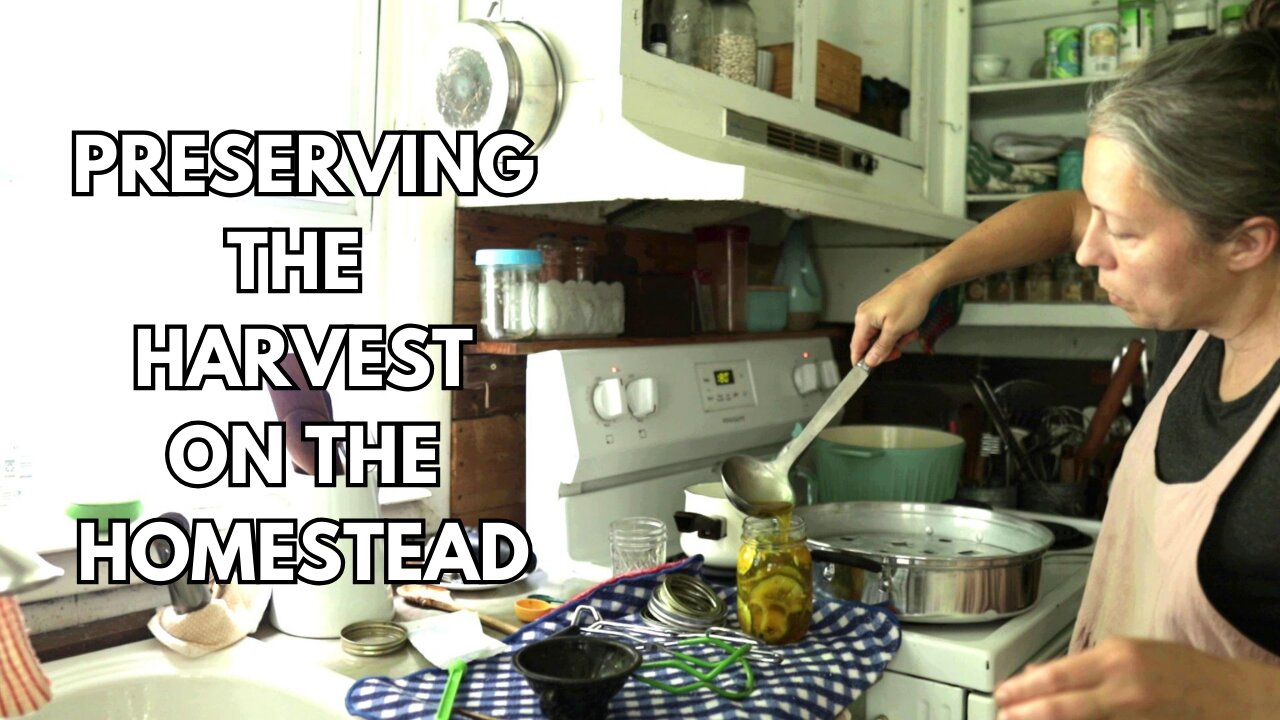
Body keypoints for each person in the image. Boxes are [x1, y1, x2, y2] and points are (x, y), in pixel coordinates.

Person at [849, 4, 1280, 718]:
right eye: (1098, 213)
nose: (1087, 251)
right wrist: (928, 277)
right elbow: (1063, 215)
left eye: (1126, 231)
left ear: (1245, 242)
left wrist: (1233, 691)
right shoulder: (1196, 323)